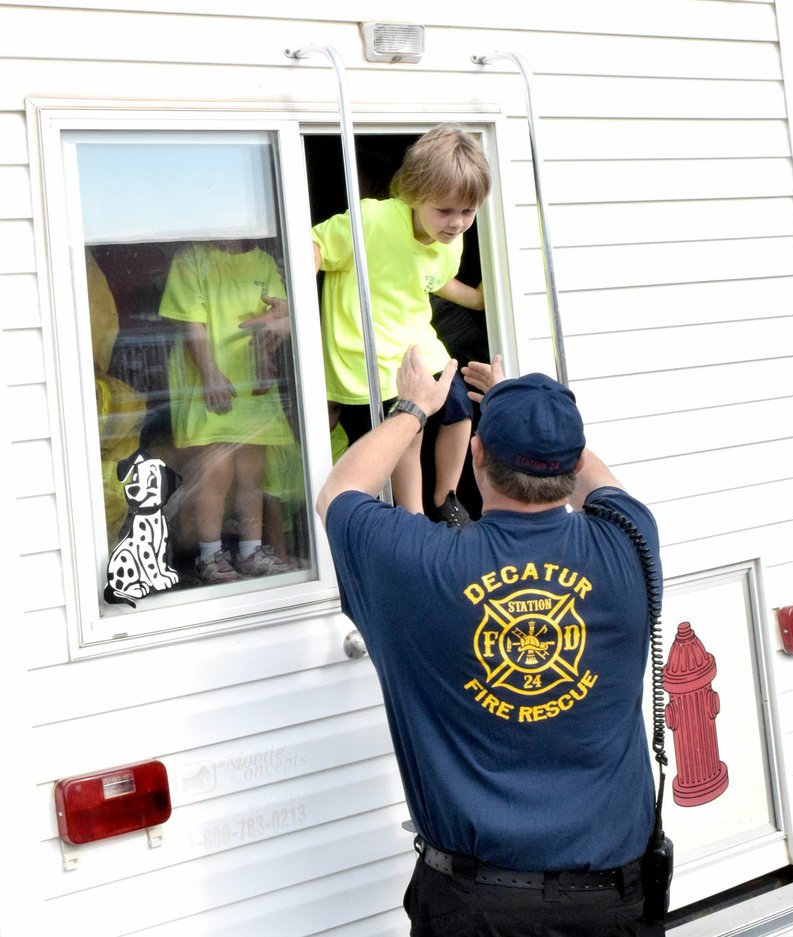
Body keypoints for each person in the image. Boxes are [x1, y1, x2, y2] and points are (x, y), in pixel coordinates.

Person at [316, 346, 664, 936]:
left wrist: (413, 408)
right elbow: (596, 480)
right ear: (572, 461)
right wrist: (530, 412)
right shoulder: (631, 541)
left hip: (476, 909)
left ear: (475, 452)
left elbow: (339, 495)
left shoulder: (421, 563)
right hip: (614, 902)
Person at [312, 125, 491, 526]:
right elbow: (317, 247)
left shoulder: (451, 239)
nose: (457, 223)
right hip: (368, 349)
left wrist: (476, 299)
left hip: (415, 341)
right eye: (445, 211)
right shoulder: (371, 220)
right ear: (412, 194)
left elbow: (432, 280)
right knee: (407, 432)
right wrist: (296, 299)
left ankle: (446, 497)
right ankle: (412, 516)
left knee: (459, 407)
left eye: (468, 212)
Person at [159, 239, 295, 584]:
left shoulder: (263, 262)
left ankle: (251, 550)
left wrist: (265, 361)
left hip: (254, 385)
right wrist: (209, 373)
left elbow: (272, 321)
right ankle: (209, 554)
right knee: (215, 471)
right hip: (212, 383)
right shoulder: (191, 258)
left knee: (253, 472)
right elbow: (192, 322)